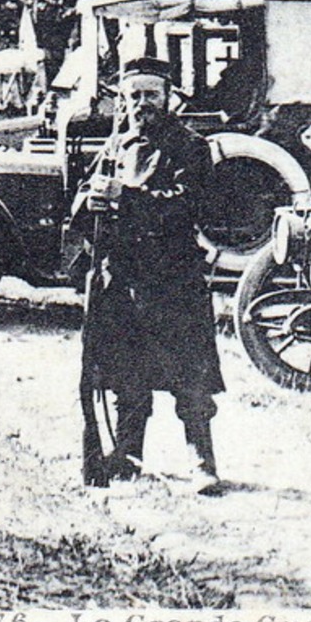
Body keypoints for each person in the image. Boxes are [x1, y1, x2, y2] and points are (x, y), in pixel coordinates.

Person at [74, 58, 225, 491]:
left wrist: (128, 197)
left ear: (168, 97)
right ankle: (127, 455)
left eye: (151, 95)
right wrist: (91, 204)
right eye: (134, 96)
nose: (143, 104)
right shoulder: (115, 147)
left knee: (189, 377)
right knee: (126, 373)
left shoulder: (191, 147)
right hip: (121, 278)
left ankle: (202, 461)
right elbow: (81, 207)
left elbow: (191, 206)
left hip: (173, 278)